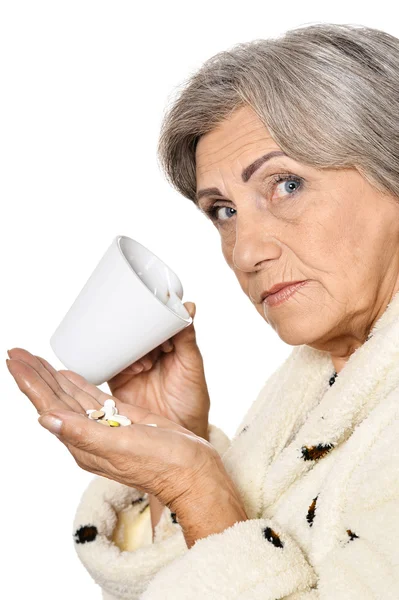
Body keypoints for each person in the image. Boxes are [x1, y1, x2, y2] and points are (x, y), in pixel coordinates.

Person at [6, 21, 399, 599]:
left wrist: (198, 488)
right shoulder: (320, 381)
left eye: (285, 184)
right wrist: (179, 450)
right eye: (223, 211)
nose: (245, 252)